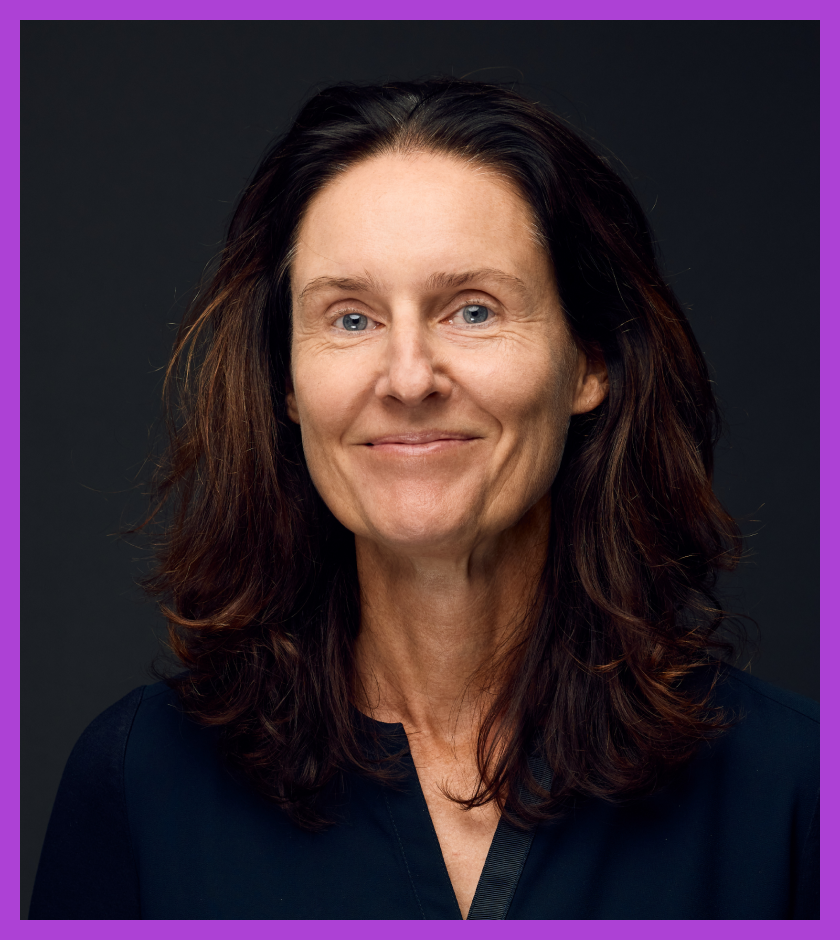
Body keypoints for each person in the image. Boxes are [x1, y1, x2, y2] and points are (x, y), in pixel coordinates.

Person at [29, 78, 818, 920]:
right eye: (351, 319)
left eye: (472, 310)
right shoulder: (140, 783)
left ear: (590, 363)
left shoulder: (793, 789)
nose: (408, 378)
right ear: (287, 384)